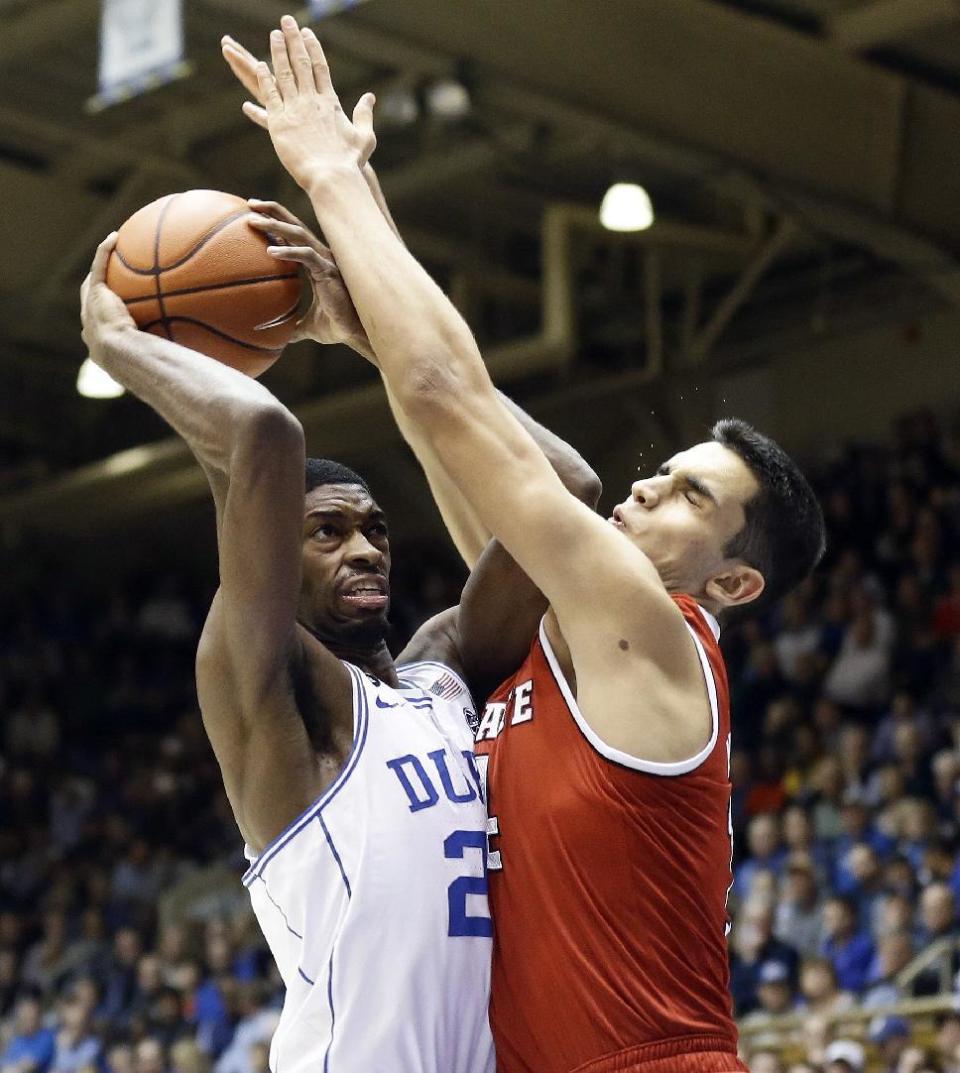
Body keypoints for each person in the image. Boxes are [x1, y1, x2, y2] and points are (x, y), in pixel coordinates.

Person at [243, 16, 826, 1073]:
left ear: (732, 577)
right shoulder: (557, 625)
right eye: (664, 468)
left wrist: (333, 175)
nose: (648, 483)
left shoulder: (648, 629)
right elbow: (448, 435)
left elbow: (447, 396)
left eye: (691, 494)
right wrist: (363, 318)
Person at [80, 172, 600, 1072]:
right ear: (277, 548)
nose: (365, 548)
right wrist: (122, 348)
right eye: (327, 531)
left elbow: (570, 495)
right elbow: (261, 440)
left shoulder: (445, 673)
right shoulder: (284, 696)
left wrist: (372, 338)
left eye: (375, 529)